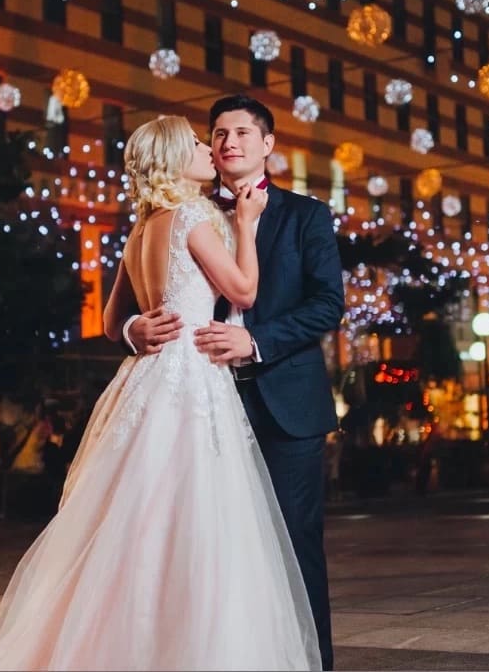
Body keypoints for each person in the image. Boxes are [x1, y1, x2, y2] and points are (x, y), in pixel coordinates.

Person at [0, 115, 324, 670]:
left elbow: (113, 321)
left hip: (150, 379)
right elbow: (245, 292)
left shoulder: (143, 225)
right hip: (196, 376)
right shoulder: (193, 214)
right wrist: (248, 226)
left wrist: (137, 328)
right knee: (198, 516)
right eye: (199, 143)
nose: (211, 149)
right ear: (174, 159)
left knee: (138, 517)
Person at [113, 95, 344, 669]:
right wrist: (134, 326)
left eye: (242, 132)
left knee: (292, 547)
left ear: (268, 145)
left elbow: (327, 304)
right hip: (202, 402)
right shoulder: (183, 209)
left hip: (285, 401)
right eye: (216, 133)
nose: (226, 142)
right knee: (205, 545)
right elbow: (132, 301)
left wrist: (255, 341)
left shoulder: (304, 215)